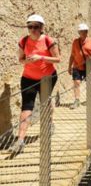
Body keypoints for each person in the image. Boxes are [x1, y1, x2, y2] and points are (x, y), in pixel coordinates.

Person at [9, 14, 61, 154]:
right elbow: (21, 59)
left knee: (46, 102)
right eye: (30, 26)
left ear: (42, 27)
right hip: (28, 78)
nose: (32, 29)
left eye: (36, 26)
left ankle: (49, 124)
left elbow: (57, 59)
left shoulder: (49, 41)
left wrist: (41, 57)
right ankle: (20, 140)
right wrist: (27, 61)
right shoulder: (23, 41)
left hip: (47, 78)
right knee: (27, 107)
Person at [68, 23, 91, 109]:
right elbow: (72, 55)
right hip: (77, 66)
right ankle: (77, 100)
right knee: (76, 82)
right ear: (79, 32)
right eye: (81, 31)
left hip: (88, 66)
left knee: (89, 83)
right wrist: (69, 66)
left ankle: (89, 98)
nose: (83, 33)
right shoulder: (75, 42)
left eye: (84, 31)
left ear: (87, 32)